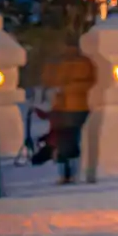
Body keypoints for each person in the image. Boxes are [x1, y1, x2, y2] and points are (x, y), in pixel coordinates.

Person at [43, 41, 95, 183]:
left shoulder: (83, 63)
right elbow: (48, 80)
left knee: (70, 140)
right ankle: (66, 173)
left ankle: (70, 173)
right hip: (64, 107)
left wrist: (67, 88)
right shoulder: (59, 62)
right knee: (64, 140)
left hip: (75, 107)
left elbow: (89, 82)